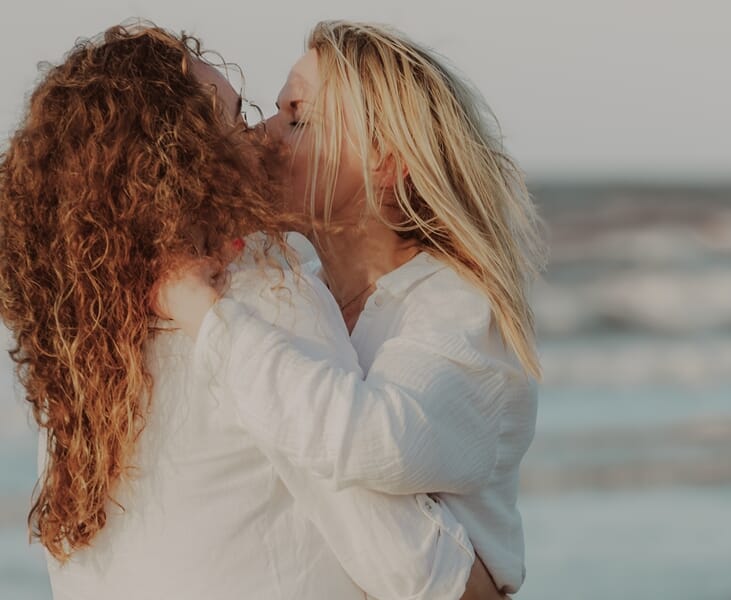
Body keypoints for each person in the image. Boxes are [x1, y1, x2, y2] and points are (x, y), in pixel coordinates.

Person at [0, 23, 501, 599]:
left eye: (290, 117)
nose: (259, 137)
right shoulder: (268, 297)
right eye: (234, 119)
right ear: (184, 159)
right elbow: (393, 551)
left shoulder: (79, 345)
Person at [157, 20, 547, 596]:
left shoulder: (458, 311)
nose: (263, 135)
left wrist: (203, 314)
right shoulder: (296, 288)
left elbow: (375, 443)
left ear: (386, 162)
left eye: (298, 119)